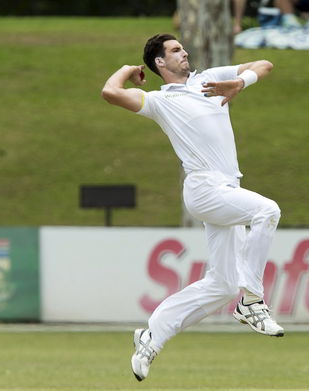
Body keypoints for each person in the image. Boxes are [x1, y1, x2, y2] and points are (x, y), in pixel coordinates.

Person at [101, 34, 284, 382]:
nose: (184, 52)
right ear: (159, 63)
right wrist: (126, 69)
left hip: (227, 188)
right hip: (204, 188)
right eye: (174, 50)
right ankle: (253, 301)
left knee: (223, 284)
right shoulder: (160, 101)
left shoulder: (209, 79)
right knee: (267, 211)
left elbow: (265, 65)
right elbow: (110, 93)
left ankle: (153, 336)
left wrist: (239, 82)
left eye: (182, 48)